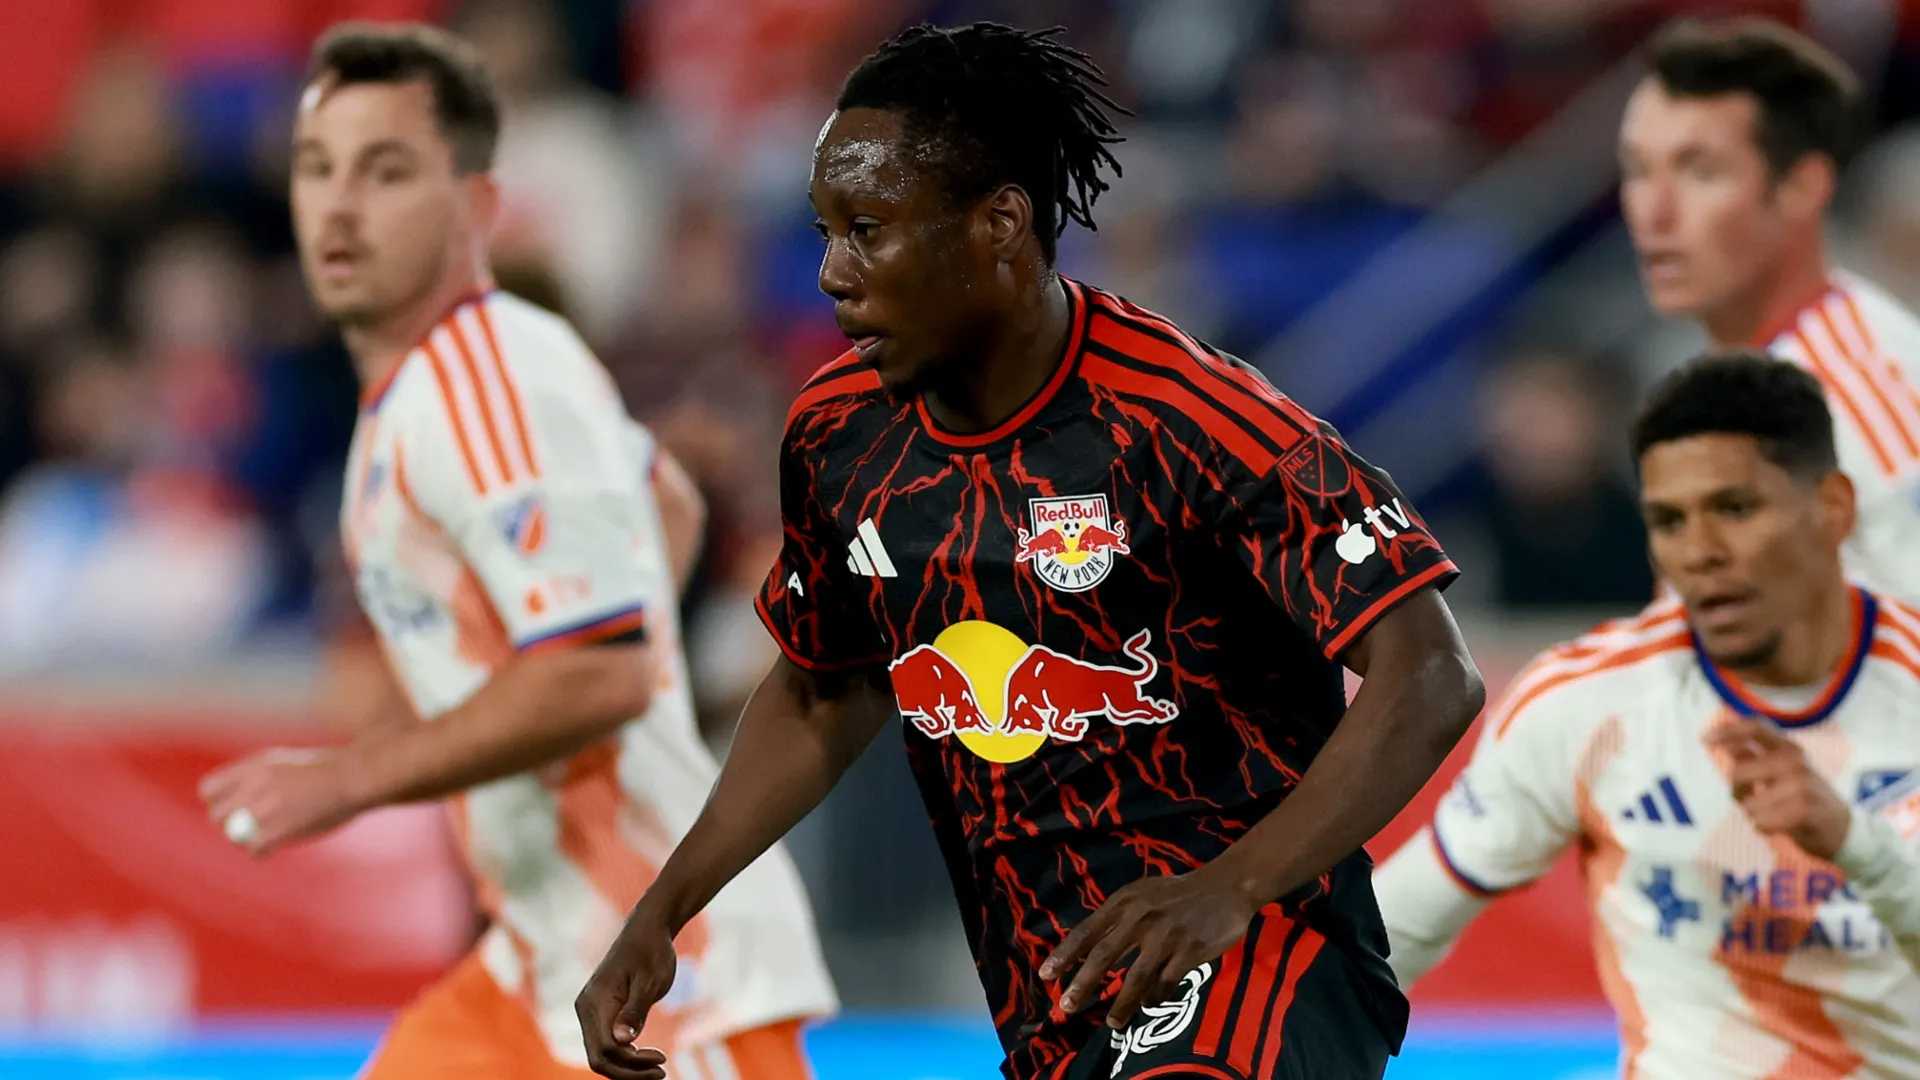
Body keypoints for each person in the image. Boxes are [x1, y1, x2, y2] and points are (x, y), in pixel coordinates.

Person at [576, 22, 1486, 1080]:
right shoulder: (838, 434)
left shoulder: (1194, 419)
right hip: (1051, 994)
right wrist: (665, 909)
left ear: (998, 224)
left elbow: (1430, 674)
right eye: (825, 232)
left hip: (1257, 956)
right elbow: (826, 686)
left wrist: (1234, 885)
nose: (831, 274)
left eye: (869, 230)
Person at [194, 23, 836, 1080]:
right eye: (318, 169)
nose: (339, 204)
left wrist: (350, 777)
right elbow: (663, 506)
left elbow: (600, 665)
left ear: (480, 205)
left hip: (667, 985)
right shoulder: (433, 392)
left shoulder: (481, 383)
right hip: (535, 959)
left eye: (387, 169)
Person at [1374, 353, 1920, 1078]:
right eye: (1669, 520)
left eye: (1735, 508)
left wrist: (1856, 846)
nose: (1700, 553)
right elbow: (1392, 935)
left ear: (1832, 510)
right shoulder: (1587, 701)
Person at [1620, 16, 1920, 603]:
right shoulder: (1743, 376)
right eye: (1638, 169)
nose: (1653, 213)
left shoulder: (1861, 401)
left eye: (1699, 170)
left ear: (1802, 188)